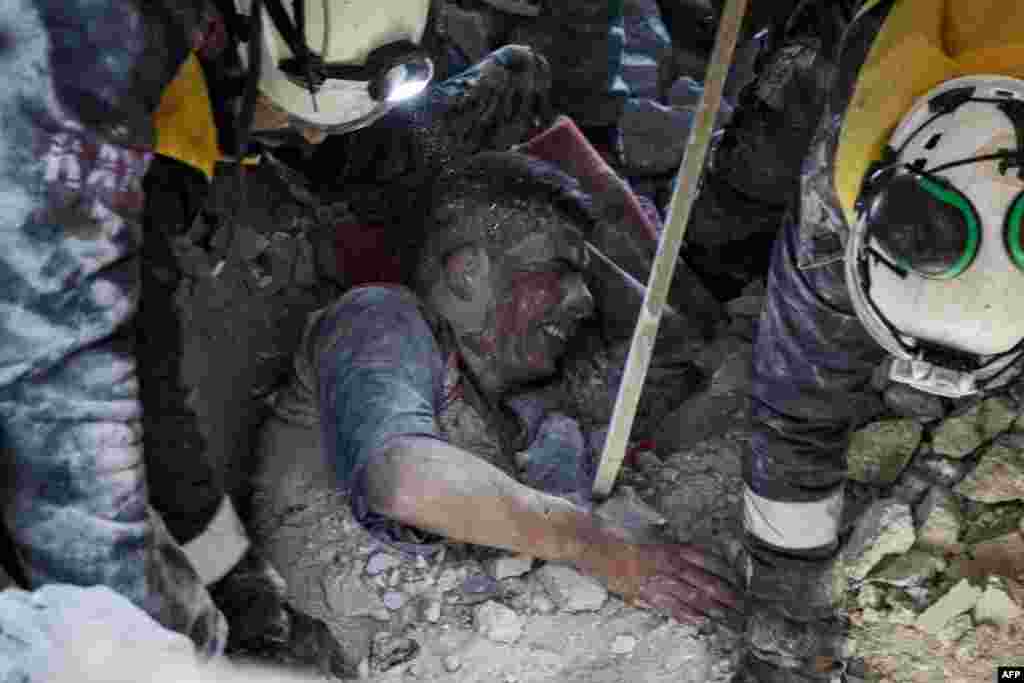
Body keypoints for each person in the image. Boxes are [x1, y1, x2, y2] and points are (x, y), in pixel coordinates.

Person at [0, 0, 554, 677]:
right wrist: (205, 625)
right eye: (294, 118)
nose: (309, 141)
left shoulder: (231, 67)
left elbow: (151, 378)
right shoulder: (86, 86)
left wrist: (242, 589)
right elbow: (97, 421)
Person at [258, 149, 741, 628]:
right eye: (562, 270)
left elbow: (673, 366)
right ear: (468, 272)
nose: (585, 298)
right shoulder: (379, 318)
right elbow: (401, 480)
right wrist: (598, 547)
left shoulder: (501, 412)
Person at [709, 1, 1024, 681]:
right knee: (766, 145)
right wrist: (784, 634)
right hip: (887, 40)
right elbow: (797, 411)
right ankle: (713, 257)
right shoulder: (851, 162)